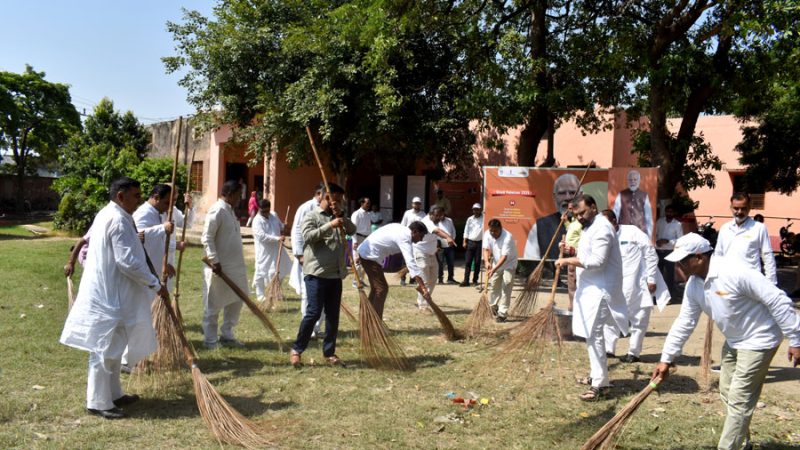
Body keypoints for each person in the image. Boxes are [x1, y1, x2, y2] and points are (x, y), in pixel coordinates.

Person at [651, 233, 800, 450]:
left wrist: (795, 338)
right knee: (728, 391)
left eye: (683, 261)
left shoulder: (734, 271)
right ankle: (742, 444)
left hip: (760, 338)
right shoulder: (694, 285)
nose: (679, 266)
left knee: (739, 398)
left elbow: (778, 300)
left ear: (699, 257)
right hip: (734, 340)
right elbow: (684, 322)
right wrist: (666, 359)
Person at [60, 177, 169, 419]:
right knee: (104, 350)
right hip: (109, 296)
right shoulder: (117, 219)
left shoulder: (113, 214)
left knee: (115, 349)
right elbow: (127, 261)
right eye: (136, 195)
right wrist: (154, 283)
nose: (139, 200)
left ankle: (114, 394)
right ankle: (98, 401)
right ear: (121, 196)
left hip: (114, 295)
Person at [555, 194, 629, 401]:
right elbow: (588, 253)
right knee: (591, 335)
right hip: (590, 289)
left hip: (601, 291)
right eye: (576, 215)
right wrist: (571, 250)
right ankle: (597, 376)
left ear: (594, 208)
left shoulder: (602, 228)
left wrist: (567, 260)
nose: (579, 217)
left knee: (594, 336)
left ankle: (600, 385)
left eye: (582, 213)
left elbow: (597, 261)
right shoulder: (590, 227)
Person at [289, 183, 355, 367]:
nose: (339, 203)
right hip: (316, 273)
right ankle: (297, 349)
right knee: (313, 312)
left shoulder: (339, 216)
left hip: (335, 274)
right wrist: (329, 225)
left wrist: (341, 216)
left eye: (341, 201)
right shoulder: (312, 216)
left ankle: (329, 352)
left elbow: (352, 230)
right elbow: (308, 236)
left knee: (333, 316)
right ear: (327, 197)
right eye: (337, 200)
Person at [601, 210, 664, 363]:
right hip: (613, 284)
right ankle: (609, 349)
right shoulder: (602, 237)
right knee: (610, 317)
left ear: (615, 221)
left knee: (639, 318)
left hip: (637, 284)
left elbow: (650, 254)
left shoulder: (633, 232)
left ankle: (633, 352)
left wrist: (651, 278)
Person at [201, 179, 248, 349]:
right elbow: (207, 237)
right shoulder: (217, 210)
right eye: (238, 195)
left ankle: (227, 334)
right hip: (219, 267)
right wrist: (215, 261)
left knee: (237, 299)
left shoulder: (230, 211)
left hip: (235, 267)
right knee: (213, 303)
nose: (240, 199)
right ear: (229, 194)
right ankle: (210, 340)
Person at [357, 222, 433, 319]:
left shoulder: (400, 229)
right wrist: (423, 287)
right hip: (370, 256)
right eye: (421, 236)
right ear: (415, 231)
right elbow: (410, 263)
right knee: (381, 289)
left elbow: (377, 235)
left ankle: (368, 319)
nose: (421, 240)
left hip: (367, 253)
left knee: (376, 288)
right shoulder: (405, 237)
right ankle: (376, 321)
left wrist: (362, 250)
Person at [715, 192, 777, 285]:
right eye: (736, 208)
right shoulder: (725, 228)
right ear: (731, 207)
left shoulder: (759, 228)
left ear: (749, 208)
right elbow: (718, 255)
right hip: (728, 282)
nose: (739, 212)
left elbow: (767, 256)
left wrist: (771, 283)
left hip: (751, 282)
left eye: (743, 208)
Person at [289, 183, 326, 337]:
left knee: (323, 293)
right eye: (327, 195)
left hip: (323, 258)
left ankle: (316, 327)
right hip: (307, 257)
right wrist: (299, 254)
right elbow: (297, 231)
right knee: (309, 293)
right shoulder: (306, 208)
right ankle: (308, 328)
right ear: (319, 194)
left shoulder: (329, 210)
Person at [524, 173, 580, 260]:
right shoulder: (540, 226)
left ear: (581, 195)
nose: (568, 197)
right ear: (554, 197)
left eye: (572, 192)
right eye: (562, 193)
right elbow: (531, 260)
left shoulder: (592, 224)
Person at [252, 199, 290, 301]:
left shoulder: (273, 215)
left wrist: (284, 226)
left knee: (279, 269)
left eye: (267, 211)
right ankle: (260, 295)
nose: (265, 213)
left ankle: (275, 292)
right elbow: (262, 236)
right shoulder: (256, 221)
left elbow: (280, 226)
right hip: (264, 251)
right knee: (261, 271)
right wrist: (277, 238)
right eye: (263, 211)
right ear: (259, 209)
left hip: (276, 249)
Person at [482, 219, 518, 322]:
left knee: (506, 286)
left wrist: (493, 269)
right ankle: (493, 306)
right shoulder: (487, 234)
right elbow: (485, 249)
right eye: (491, 231)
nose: (493, 233)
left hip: (509, 264)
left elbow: (504, 257)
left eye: (495, 231)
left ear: (500, 229)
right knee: (494, 286)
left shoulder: (508, 237)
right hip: (496, 263)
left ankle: (502, 313)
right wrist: (486, 262)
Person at [612, 169, 654, 238]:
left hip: (640, 232)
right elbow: (615, 213)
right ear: (628, 181)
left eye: (635, 179)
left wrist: (649, 237)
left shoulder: (644, 195)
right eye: (630, 180)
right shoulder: (621, 194)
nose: (633, 182)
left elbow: (648, 217)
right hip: (624, 232)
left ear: (639, 181)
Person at [655, 204, 683, 297]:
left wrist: (668, 241)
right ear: (665, 212)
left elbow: (680, 240)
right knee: (657, 274)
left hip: (669, 252)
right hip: (658, 251)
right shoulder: (660, 222)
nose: (669, 213)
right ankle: (657, 295)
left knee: (669, 275)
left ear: (674, 213)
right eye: (667, 211)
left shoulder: (677, 224)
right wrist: (657, 241)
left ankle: (669, 295)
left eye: (671, 212)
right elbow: (655, 234)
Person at [399, 196, 426, 286]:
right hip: (408, 239)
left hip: (417, 241)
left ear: (420, 205)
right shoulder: (407, 213)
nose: (417, 205)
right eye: (415, 203)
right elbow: (403, 225)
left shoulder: (423, 214)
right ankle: (402, 279)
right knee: (405, 260)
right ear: (412, 204)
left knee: (416, 260)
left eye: (418, 204)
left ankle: (413, 279)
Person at [563, 202, 583, 311]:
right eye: (569, 208)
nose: (570, 209)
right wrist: (566, 221)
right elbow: (571, 231)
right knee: (571, 281)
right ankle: (572, 306)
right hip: (570, 256)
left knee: (577, 281)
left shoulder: (582, 223)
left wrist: (575, 250)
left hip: (578, 256)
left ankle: (578, 307)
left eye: (572, 207)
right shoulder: (574, 221)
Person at [350, 197, 372, 288]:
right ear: (362, 203)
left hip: (366, 239)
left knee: (365, 260)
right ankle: (356, 281)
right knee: (357, 261)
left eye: (369, 203)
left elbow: (369, 228)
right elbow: (353, 229)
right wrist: (355, 241)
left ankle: (361, 280)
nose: (369, 205)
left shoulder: (368, 214)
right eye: (367, 203)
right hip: (358, 238)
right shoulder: (356, 214)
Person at [461, 203, 483, 287]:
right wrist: (464, 241)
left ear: (480, 210)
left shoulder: (484, 218)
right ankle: (466, 281)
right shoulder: (470, 219)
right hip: (470, 242)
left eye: (477, 209)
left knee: (477, 262)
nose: (476, 211)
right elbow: (466, 230)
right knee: (468, 262)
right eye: (474, 209)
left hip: (480, 243)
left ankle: (475, 280)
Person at [436, 212, 457, 284]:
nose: (441, 216)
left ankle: (450, 278)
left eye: (443, 215)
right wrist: (437, 244)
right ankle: (440, 279)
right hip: (440, 245)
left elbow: (453, 230)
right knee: (440, 263)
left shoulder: (449, 220)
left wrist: (452, 239)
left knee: (451, 262)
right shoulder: (436, 222)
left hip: (450, 245)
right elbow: (435, 233)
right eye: (440, 215)